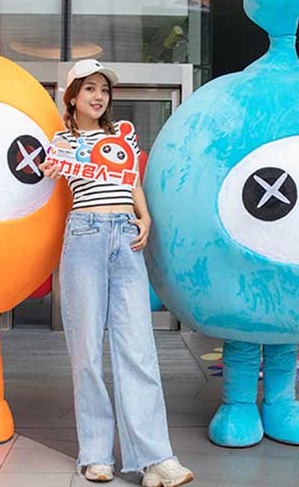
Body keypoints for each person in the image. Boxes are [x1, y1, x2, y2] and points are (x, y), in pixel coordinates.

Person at [39, 59, 194, 487]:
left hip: (126, 235)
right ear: (73, 95)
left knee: (138, 348)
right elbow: (48, 171)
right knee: (86, 350)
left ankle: (156, 459)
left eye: (104, 90)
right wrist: (49, 168)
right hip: (85, 234)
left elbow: (133, 182)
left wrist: (145, 218)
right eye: (90, 88)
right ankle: (95, 454)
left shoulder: (120, 135)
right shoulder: (63, 140)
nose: (99, 96)